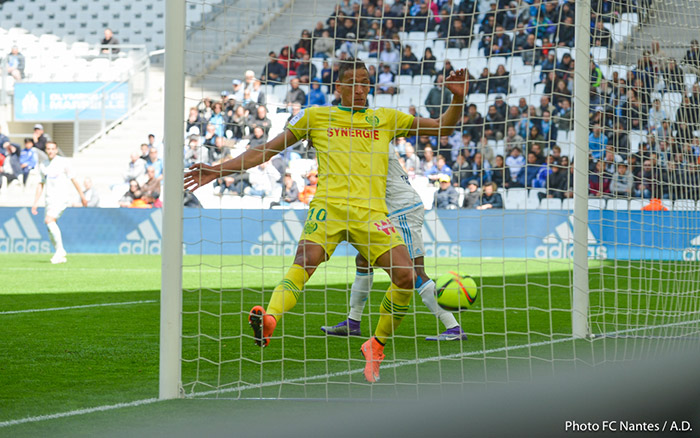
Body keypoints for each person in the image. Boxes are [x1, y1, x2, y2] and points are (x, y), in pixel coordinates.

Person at [184, 60, 468, 383]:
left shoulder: (386, 119)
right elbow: (265, 150)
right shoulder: (315, 116)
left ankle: (375, 345)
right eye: (353, 82)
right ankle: (270, 318)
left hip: (371, 213)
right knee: (306, 260)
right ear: (338, 87)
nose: (360, 88)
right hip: (328, 208)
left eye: (365, 82)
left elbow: (443, 127)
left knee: (405, 276)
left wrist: (457, 99)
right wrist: (218, 169)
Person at [322, 145, 467, 340]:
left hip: (401, 210)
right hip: (390, 211)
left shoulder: (370, 143)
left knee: (415, 271)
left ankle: (453, 327)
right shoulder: (371, 137)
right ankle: (352, 323)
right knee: (364, 260)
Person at [31, 142, 87, 264]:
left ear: (56, 150)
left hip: (61, 198)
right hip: (49, 199)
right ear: (46, 150)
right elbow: (40, 184)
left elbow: (74, 179)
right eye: (48, 149)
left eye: (53, 149)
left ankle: (60, 251)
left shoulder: (63, 162)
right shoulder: (43, 165)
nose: (50, 151)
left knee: (49, 220)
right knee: (49, 225)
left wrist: (82, 196)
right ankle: (59, 253)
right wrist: (35, 202)